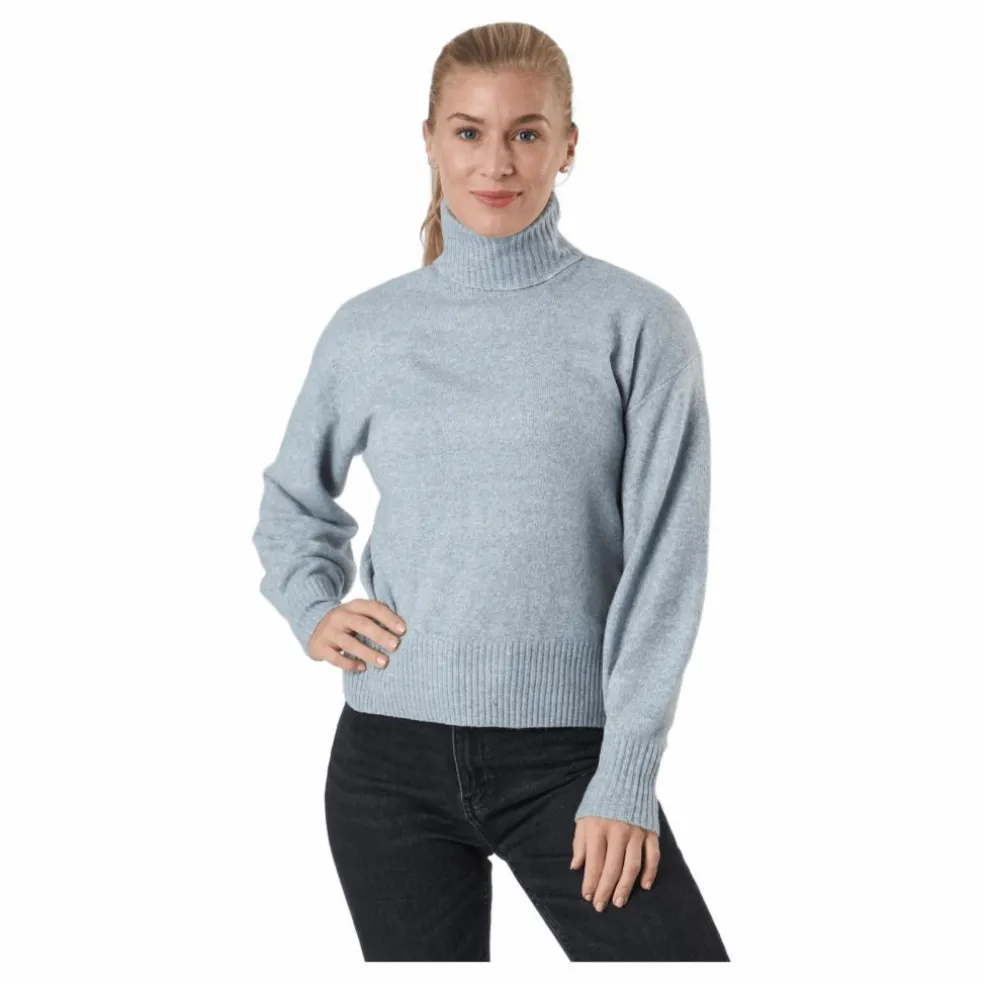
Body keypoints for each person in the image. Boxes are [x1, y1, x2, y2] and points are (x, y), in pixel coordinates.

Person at [251, 21, 729, 962]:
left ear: (568, 144)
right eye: (468, 132)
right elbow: (292, 504)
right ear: (429, 140)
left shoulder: (638, 324)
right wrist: (312, 606)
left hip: (569, 758)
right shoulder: (369, 329)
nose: (496, 162)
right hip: (387, 758)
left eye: (526, 132)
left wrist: (627, 772)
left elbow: (666, 565)